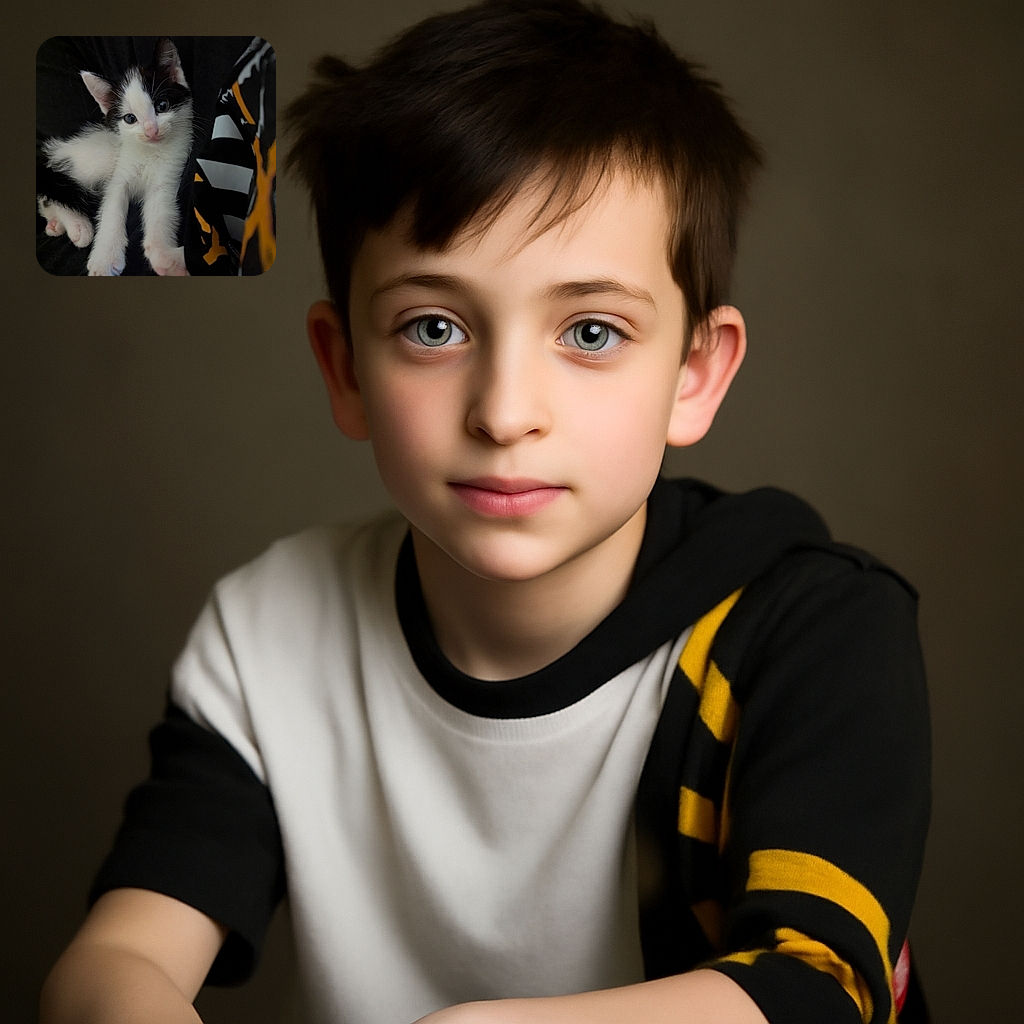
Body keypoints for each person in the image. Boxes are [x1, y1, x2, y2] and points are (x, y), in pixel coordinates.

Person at [39, 1, 930, 1022]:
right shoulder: (270, 634)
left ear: (694, 373)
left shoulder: (809, 632)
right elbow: (116, 960)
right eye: (432, 326)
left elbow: (817, 989)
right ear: (346, 370)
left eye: (591, 332)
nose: (506, 413)